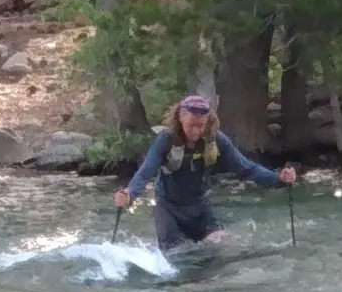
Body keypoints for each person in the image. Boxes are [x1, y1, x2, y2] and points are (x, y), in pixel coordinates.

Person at [118, 92, 294, 247]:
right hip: (169, 210)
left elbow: (246, 168)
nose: (195, 131)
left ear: (208, 122)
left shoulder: (217, 140)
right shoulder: (166, 141)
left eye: (200, 126)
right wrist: (129, 194)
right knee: (179, 259)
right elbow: (146, 171)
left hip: (200, 207)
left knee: (226, 245)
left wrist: (279, 179)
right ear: (180, 119)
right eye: (190, 126)